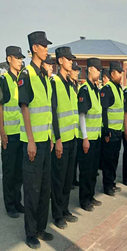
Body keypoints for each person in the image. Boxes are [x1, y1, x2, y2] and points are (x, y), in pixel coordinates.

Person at [18, 31, 54, 249]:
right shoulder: (27, 74)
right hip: (32, 143)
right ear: (34, 48)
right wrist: (31, 141)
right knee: (32, 190)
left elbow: (46, 110)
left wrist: (50, 137)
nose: (46, 48)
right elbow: (25, 108)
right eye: (43, 45)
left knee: (44, 188)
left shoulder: (43, 75)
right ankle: (30, 232)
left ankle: (41, 228)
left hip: (45, 140)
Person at [51, 47, 79, 229]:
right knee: (59, 178)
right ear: (60, 61)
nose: (71, 62)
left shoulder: (71, 83)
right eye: (68, 59)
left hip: (73, 137)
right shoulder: (54, 82)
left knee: (68, 178)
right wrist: (58, 139)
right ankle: (57, 214)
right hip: (61, 139)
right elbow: (53, 113)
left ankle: (65, 209)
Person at [0, 46, 25, 218]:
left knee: (19, 171)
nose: (20, 61)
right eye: (17, 58)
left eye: (21, 58)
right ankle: (10, 205)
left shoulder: (22, 79)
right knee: (9, 171)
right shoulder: (4, 80)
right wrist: (2, 131)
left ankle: (17, 201)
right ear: (9, 59)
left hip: (21, 133)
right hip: (10, 134)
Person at [76, 58, 104, 211]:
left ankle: (90, 196)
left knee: (93, 171)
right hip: (87, 139)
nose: (99, 73)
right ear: (90, 69)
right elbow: (82, 115)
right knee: (86, 171)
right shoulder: (85, 90)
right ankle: (84, 200)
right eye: (97, 70)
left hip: (96, 137)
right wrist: (85, 137)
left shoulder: (95, 89)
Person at [100, 61, 125, 196]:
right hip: (110, 132)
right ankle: (107, 186)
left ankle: (112, 182)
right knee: (108, 160)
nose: (121, 75)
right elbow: (104, 111)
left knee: (115, 159)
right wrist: (106, 131)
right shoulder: (107, 89)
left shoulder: (118, 88)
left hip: (118, 131)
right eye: (119, 73)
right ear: (112, 74)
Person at [69, 62, 81, 189]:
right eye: (75, 70)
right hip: (67, 129)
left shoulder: (76, 86)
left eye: (78, 70)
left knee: (75, 157)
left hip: (75, 127)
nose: (77, 72)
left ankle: (73, 179)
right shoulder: (68, 85)